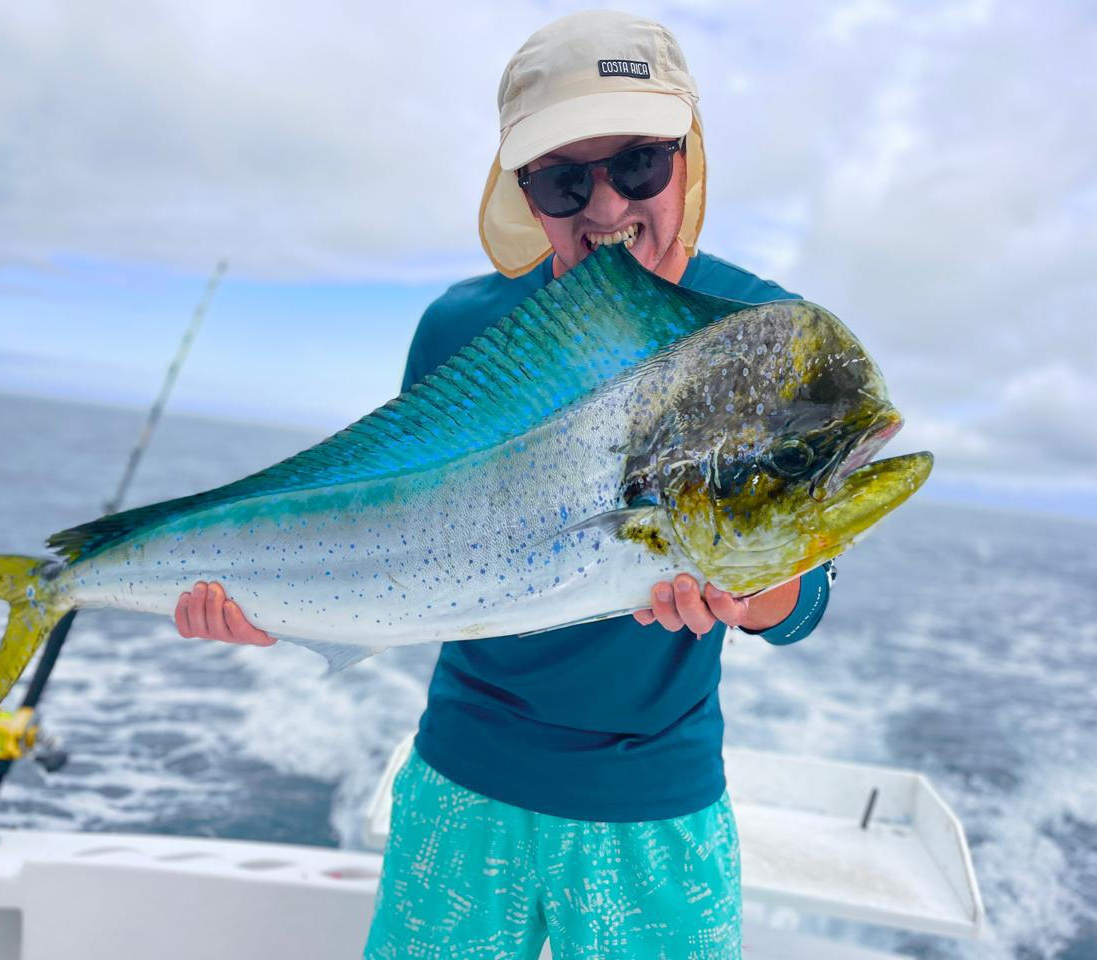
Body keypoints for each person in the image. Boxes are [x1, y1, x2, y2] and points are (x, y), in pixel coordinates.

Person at [174, 12, 834, 958]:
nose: (605, 208)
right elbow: (395, 541)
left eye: (638, 163)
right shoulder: (455, 328)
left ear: (688, 155)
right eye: (564, 179)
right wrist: (276, 604)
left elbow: (809, 597)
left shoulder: (762, 332)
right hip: (460, 794)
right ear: (526, 190)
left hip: (653, 812)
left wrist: (754, 593)